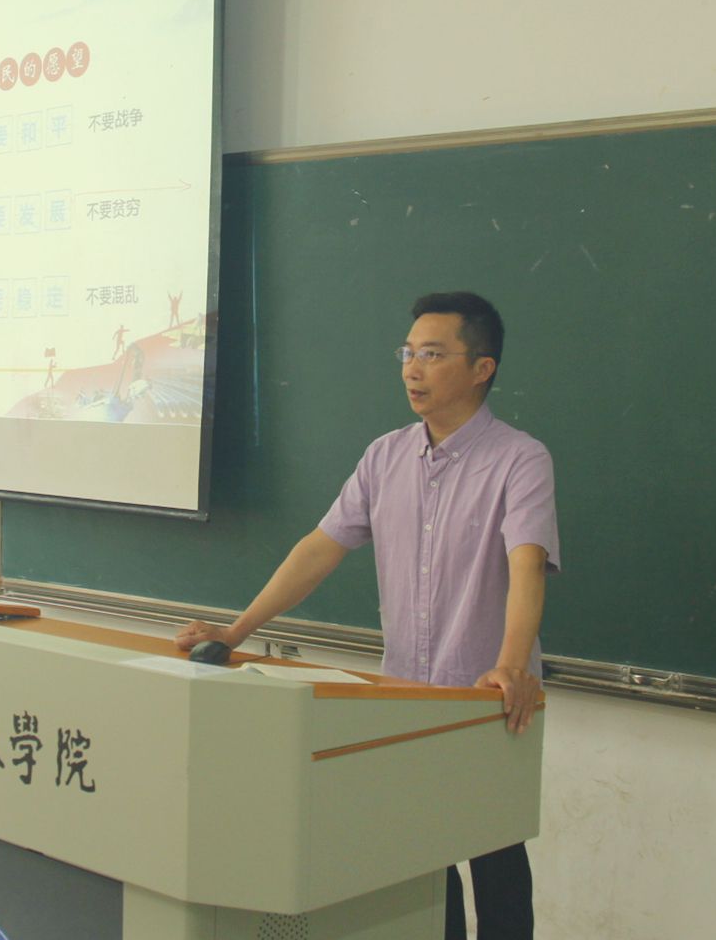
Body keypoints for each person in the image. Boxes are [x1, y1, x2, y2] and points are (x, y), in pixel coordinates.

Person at [175, 291, 558, 940]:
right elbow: (318, 549)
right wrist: (236, 631)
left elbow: (527, 565)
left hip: (486, 700)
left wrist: (511, 666)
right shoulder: (385, 456)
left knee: (496, 861)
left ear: (482, 368)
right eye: (407, 353)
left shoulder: (520, 459)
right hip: (402, 697)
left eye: (432, 354)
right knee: (422, 865)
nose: (412, 368)